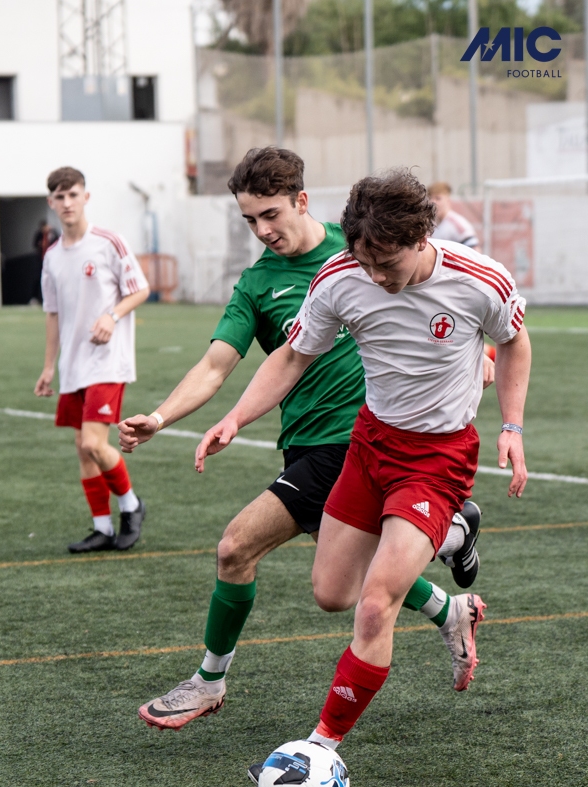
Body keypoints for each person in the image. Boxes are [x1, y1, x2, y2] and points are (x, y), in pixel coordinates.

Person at [121, 149, 487, 732]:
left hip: (357, 442)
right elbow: (216, 364)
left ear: (301, 201)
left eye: (271, 214)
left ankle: (208, 683)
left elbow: (448, 293)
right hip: (304, 441)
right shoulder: (258, 284)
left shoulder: (366, 246)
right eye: (250, 220)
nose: (263, 230)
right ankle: (450, 592)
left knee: (236, 547)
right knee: (344, 574)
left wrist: (478, 354)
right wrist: (162, 417)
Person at [193, 167, 530, 764]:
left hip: (438, 458)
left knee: (375, 606)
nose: (375, 276)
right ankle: (453, 534)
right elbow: (293, 356)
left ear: (422, 238)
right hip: (369, 446)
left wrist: (512, 426)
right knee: (332, 594)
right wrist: (236, 417)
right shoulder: (339, 276)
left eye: (387, 264)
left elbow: (513, 342)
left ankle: (320, 748)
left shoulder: (481, 280)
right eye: (364, 262)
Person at [34, 166, 150, 552]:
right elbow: (52, 314)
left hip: (107, 361)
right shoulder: (52, 257)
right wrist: (48, 367)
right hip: (73, 366)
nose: (67, 202)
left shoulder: (108, 242)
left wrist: (111, 316)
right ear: (51, 202)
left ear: (85, 197)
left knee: (94, 443)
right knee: (82, 448)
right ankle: (102, 527)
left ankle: (131, 506)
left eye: (73, 195)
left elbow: (140, 290)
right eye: (60, 197)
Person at [428, 182, 480, 251]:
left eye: (438, 198)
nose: (433, 202)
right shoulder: (432, 223)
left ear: (448, 201)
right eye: (430, 198)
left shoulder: (457, 224)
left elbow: (475, 251)